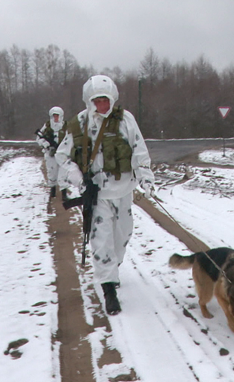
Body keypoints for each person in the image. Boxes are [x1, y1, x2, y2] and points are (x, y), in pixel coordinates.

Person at [55, 75, 155, 315]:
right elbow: (62, 156)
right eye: (98, 101)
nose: (103, 105)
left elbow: (139, 150)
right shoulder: (79, 123)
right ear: (90, 101)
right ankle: (109, 288)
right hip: (97, 194)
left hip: (124, 191)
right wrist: (80, 180)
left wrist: (146, 178)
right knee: (101, 241)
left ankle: (114, 268)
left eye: (106, 100)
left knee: (122, 235)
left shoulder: (125, 120)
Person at [36, 106, 64, 198]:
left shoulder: (65, 126)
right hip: (50, 153)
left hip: (63, 153)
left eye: (57, 116)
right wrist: (46, 144)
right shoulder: (47, 126)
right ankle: (52, 191)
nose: (56, 118)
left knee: (63, 173)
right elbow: (39, 138)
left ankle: (64, 193)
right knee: (52, 172)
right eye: (54, 116)